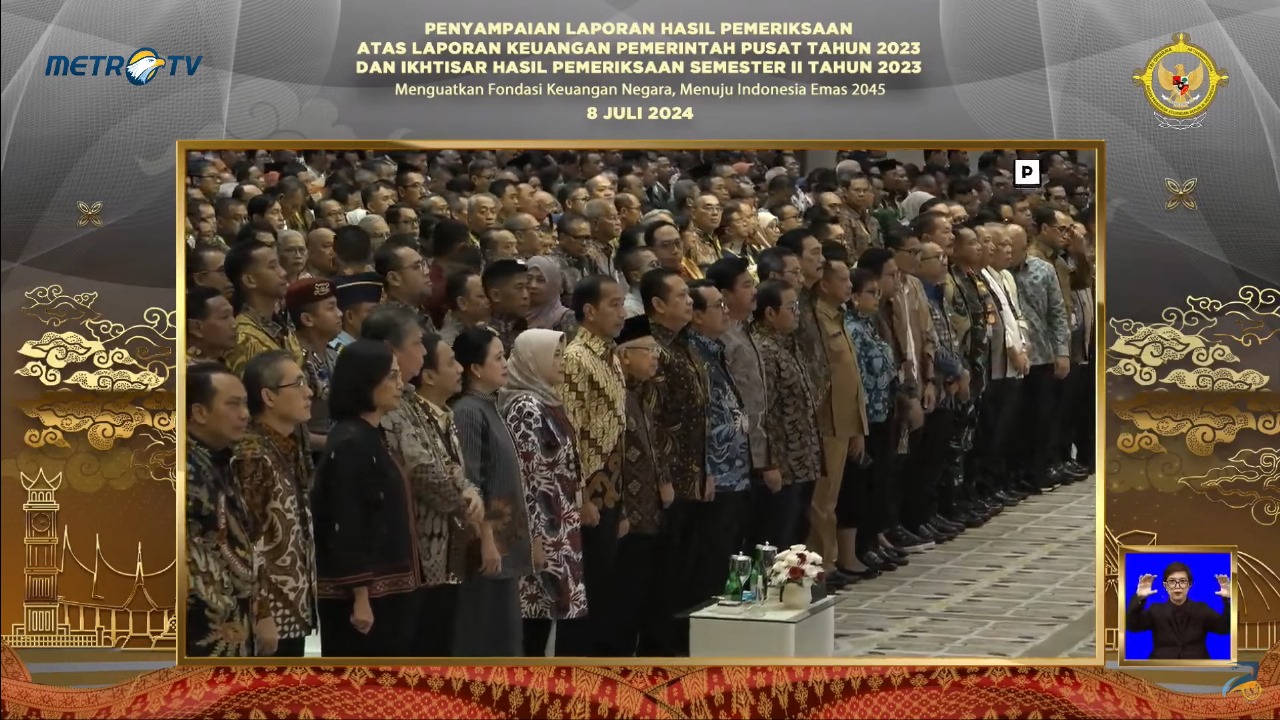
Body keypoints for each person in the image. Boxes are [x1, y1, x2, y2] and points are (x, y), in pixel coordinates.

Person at [311, 340, 424, 657]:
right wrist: (359, 595)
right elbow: (345, 520)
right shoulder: (350, 442)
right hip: (365, 599)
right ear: (365, 381)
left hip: (387, 592)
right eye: (391, 376)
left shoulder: (369, 435)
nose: (400, 384)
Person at [380, 329, 485, 656]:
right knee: (420, 646)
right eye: (451, 362)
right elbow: (421, 469)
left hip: (450, 551)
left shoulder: (445, 414)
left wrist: (471, 492)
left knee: (442, 643)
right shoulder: (401, 410)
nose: (460, 369)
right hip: (421, 552)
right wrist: (463, 502)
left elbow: (451, 466)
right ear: (428, 375)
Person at [499, 329, 588, 657]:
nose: (562, 362)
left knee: (547, 618)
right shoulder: (526, 407)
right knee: (533, 621)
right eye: (555, 355)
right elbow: (526, 476)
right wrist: (533, 538)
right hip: (542, 531)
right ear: (532, 360)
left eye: (562, 354)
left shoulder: (548, 401)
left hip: (559, 528)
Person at [556, 274, 628, 656]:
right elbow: (570, 430)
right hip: (588, 487)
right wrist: (581, 495)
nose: (622, 313)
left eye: (622, 304)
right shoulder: (575, 358)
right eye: (614, 305)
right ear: (589, 310)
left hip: (612, 484)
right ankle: (576, 667)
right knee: (585, 587)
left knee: (606, 586)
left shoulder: (610, 355)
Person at [451, 326, 533, 657]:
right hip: (486, 545)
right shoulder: (468, 411)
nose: (506, 364)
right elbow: (472, 481)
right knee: (483, 638)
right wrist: (485, 539)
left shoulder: (489, 404)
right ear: (475, 368)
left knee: (505, 639)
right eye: (498, 358)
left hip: (503, 541)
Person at [233, 350, 317, 657]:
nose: (309, 392)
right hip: (268, 617)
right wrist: (262, 612)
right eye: (298, 384)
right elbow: (244, 541)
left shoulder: (288, 444)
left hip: (293, 608)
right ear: (268, 396)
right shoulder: (252, 454)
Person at [606, 315, 671, 655]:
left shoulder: (641, 393)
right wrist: (619, 511)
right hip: (627, 514)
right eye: (649, 351)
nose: (655, 358)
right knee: (623, 596)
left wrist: (664, 481)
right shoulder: (614, 394)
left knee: (647, 590)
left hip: (650, 511)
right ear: (626, 356)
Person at [185, 362, 254, 657]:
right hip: (195, 626)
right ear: (200, 412)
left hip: (234, 616)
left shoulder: (222, 460)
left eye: (246, 404)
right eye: (233, 404)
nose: (244, 414)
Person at [1127, 563, 1232, 660]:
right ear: (1165, 585)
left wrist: (1228, 600)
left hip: (1197, 667)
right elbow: (1132, 626)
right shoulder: (1155, 610)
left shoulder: (1202, 609)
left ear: (1190, 584)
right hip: (1161, 667)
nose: (1177, 586)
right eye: (1172, 581)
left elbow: (1226, 628)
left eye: (1182, 581)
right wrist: (1139, 598)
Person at [526, 255, 577, 334]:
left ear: (554, 284)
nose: (533, 285)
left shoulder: (567, 319)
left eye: (541, 280)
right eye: (528, 279)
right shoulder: (513, 316)